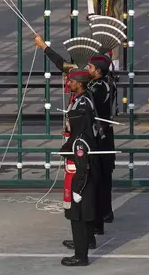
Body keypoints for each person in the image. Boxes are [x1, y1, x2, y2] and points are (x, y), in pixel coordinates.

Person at [59, 69, 101, 267]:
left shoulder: (81, 141)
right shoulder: (79, 138)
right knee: (78, 217)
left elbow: (82, 168)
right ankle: (80, 247)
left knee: (78, 217)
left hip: (80, 182)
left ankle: (81, 255)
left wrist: (78, 190)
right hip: (78, 179)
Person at [86, 55, 118, 227]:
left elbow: (90, 103)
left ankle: (101, 213)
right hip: (104, 133)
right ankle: (105, 211)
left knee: (100, 176)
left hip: (101, 134)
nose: (88, 70)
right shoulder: (107, 81)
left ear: (98, 71)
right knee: (104, 176)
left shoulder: (100, 86)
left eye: (90, 67)